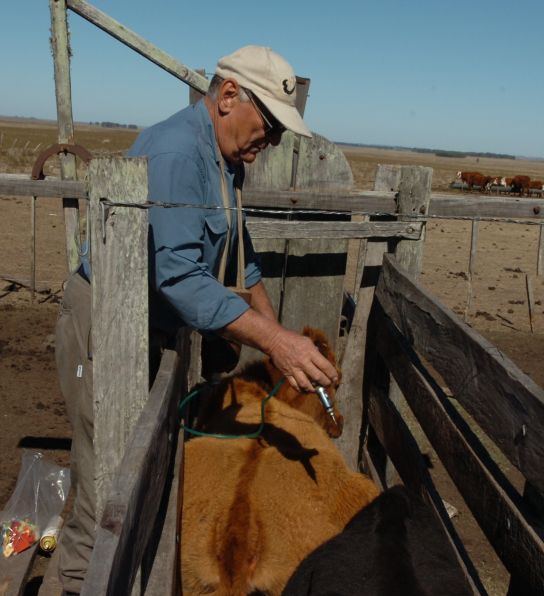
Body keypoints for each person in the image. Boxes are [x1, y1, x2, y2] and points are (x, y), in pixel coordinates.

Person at [54, 45, 339, 594]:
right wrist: (275, 343)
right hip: (106, 324)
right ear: (229, 95)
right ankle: (76, 584)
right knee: (105, 474)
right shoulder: (180, 154)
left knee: (143, 458)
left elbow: (241, 253)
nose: (273, 141)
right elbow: (178, 276)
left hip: (148, 324)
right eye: (271, 124)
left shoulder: (226, 161)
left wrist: (272, 337)